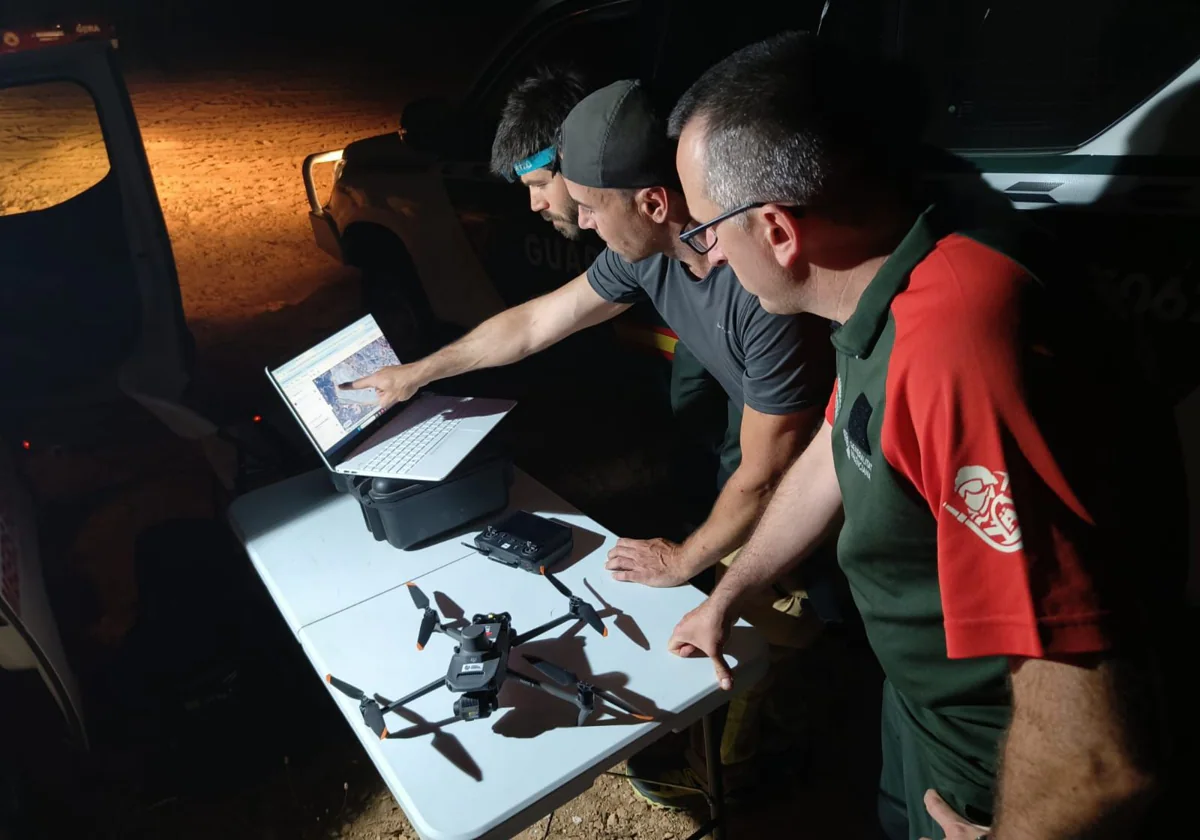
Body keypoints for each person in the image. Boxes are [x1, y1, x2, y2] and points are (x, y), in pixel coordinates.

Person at [665, 31, 1188, 840]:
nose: (707, 258)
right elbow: (844, 443)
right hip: (922, 714)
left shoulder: (960, 349)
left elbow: (1094, 756)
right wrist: (733, 590)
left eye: (705, 229)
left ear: (775, 230)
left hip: (1006, 771)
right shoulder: (889, 278)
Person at [346, 77, 837, 804]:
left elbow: (770, 475)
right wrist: (418, 374)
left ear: (654, 203)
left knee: (779, 615)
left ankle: (749, 763)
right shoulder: (645, 252)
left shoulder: (757, 292)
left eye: (590, 206)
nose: (577, 217)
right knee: (746, 592)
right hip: (778, 457)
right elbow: (537, 322)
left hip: (833, 470)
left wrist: (685, 559)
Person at [490, 66, 741, 509]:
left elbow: (766, 464)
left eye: (541, 183)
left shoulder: (731, 262)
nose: (535, 204)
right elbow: (534, 324)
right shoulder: (631, 252)